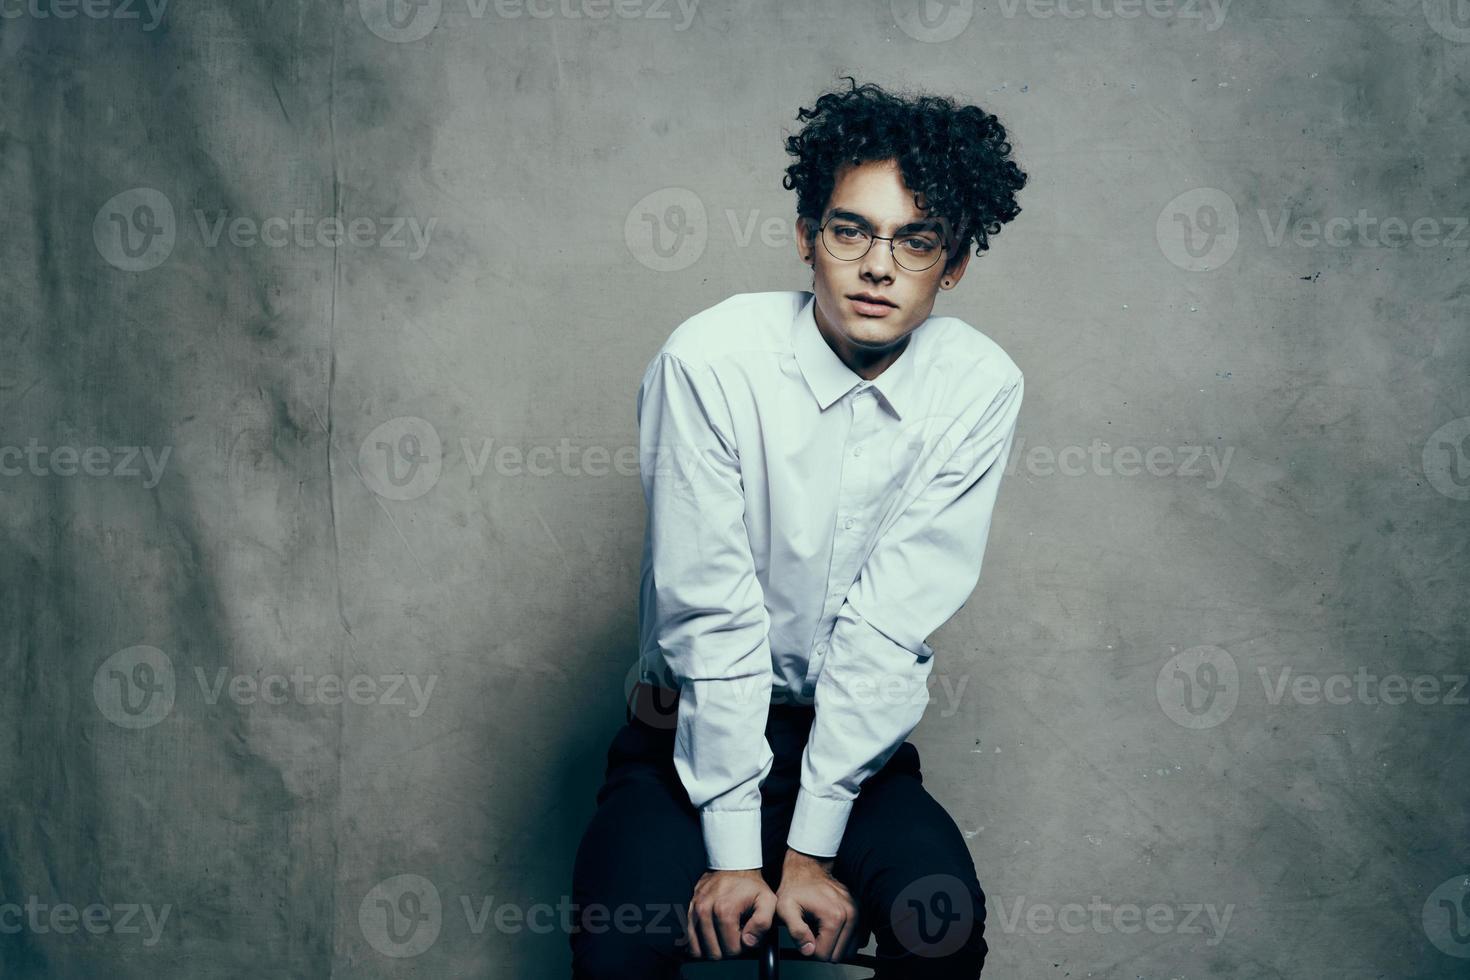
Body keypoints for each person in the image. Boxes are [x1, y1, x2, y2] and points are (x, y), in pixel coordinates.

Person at [569, 76, 1029, 979]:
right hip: (681, 738)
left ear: (958, 261)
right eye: (850, 230)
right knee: (619, 940)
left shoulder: (979, 386)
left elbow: (887, 628)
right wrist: (739, 858)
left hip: (851, 750)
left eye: (916, 241)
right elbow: (711, 616)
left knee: (942, 924)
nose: (877, 267)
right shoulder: (709, 362)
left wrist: (811, 848)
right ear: (806, 237)